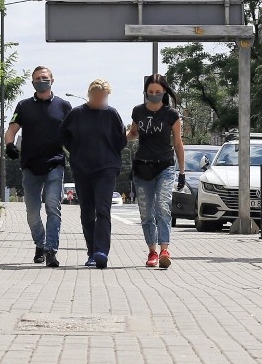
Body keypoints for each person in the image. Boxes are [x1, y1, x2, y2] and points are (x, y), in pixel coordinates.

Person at [5, 66, 72, 267]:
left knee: (53, 206)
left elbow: (74, 133)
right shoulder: (23, 106)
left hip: (55, 164)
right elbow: (12, 130)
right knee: (33, 213)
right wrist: (9, 145)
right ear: (32, 82)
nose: (40, 80)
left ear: (52, 80)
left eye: (44, 77)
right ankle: (40, 244)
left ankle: (51, 250)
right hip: (30, 166)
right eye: (37, 78)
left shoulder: (63, 106)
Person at [61, 79, 127, 269]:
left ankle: (101, 252)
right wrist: (77, 152)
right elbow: (65, 137)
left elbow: (120, 140)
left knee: (103, 210)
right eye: (97, 97)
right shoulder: (77, 114)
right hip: (82, 169)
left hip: (107, 168)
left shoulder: (112, 114)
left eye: (104, 97)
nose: (101, 100)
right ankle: (91, 251)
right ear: (89, 95)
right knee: (87, 212)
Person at [127, 74, 186, 269]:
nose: (154, 95)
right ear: (145, 92)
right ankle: (152, 251)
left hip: (165, 166)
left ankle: (165, 250)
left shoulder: (172, 115)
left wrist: (182, 171)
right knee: (146, 212)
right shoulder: (138, 111)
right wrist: (117, 137)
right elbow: (134, 133)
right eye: (150, 92)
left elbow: (178, 143)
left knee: (162, 206)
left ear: (164, 93)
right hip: (142, 166)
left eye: (158, 92)